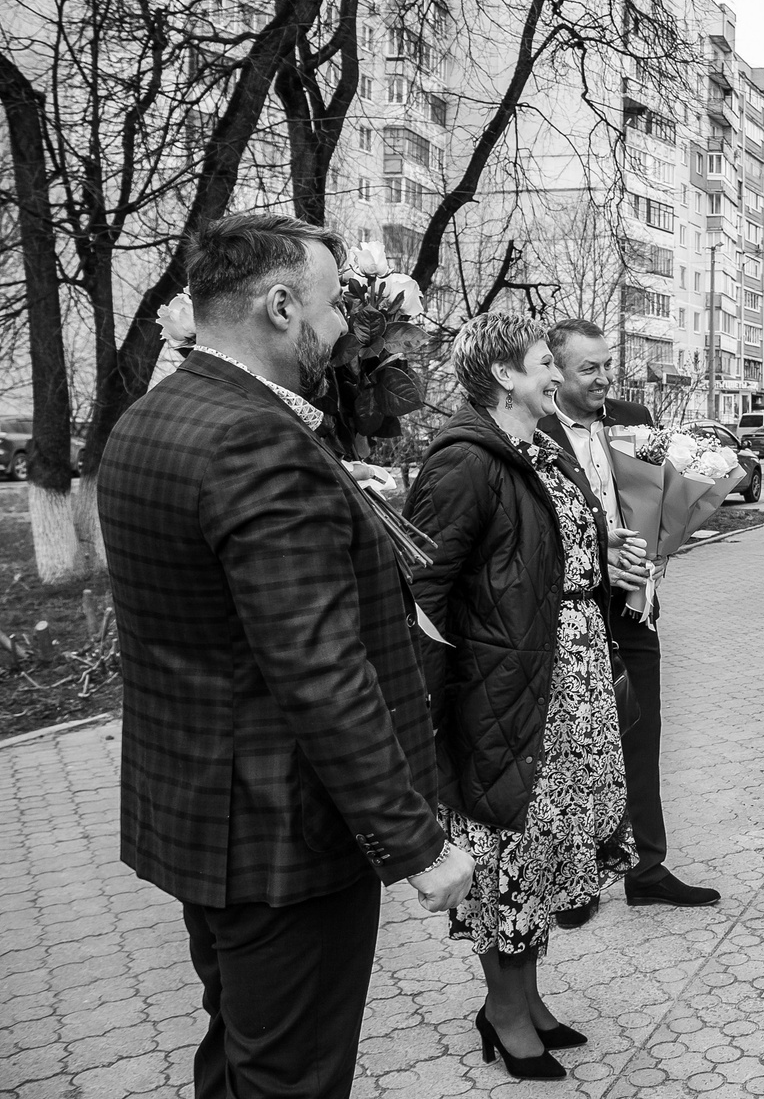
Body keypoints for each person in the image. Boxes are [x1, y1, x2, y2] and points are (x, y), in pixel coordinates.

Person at [99, 213, 473, 1099]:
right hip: (283, 836)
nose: (344, 327)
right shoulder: (256, 440)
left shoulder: (154, 415)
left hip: (202, 817)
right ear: (279, 306)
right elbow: (321, 673)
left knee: (243, 1051)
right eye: (334, 305)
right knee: (291, 1078)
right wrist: (416, 845)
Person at [404, 314, 643, 1081]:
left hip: (565, 675)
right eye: (545, 361)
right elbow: (423, 594)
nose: (557, 374)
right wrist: (428, 715)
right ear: (505, 375)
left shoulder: (541, 449)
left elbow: (543, 548)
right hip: (506, 689)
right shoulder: (463, 462)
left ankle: (527, 1000)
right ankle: (503, 1012)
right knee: (504, 852)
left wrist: (607, 555)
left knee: (538, 853)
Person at [538, 317, 721, 926]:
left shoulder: (632, 421)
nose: (602, 379)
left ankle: (646, 869)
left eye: (606, 365)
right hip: (571, 612)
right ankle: (578, 876)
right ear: (554, 372)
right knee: (576, 746)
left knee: (641, 737)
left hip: (633, 609)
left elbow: (657, 498)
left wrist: (660, 550)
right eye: (587, 368)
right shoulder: (533, 432)